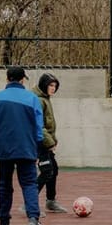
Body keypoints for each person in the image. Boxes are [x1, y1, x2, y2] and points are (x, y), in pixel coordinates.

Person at [0, 66, 47, 225]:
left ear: (7, 79)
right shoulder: (32, 98)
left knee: (4, 185)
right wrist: (38, 150)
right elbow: (38, 129)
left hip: (3, 149)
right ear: (22, 80)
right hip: (26, 148)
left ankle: (4, 223)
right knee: (29, 183)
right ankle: (33, 218)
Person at [34, 72, 68, 214]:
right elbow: (38, 125)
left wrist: (53, 141)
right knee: (47, 171)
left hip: (46, 142)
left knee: (53, 170)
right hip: (40, 143)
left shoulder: (46, 99)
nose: (53, 88)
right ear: (44, 85)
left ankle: (51, 201)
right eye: (50, 85)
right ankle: (29, 203)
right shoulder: (38, 100)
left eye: (55, 86)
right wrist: (49, 142)